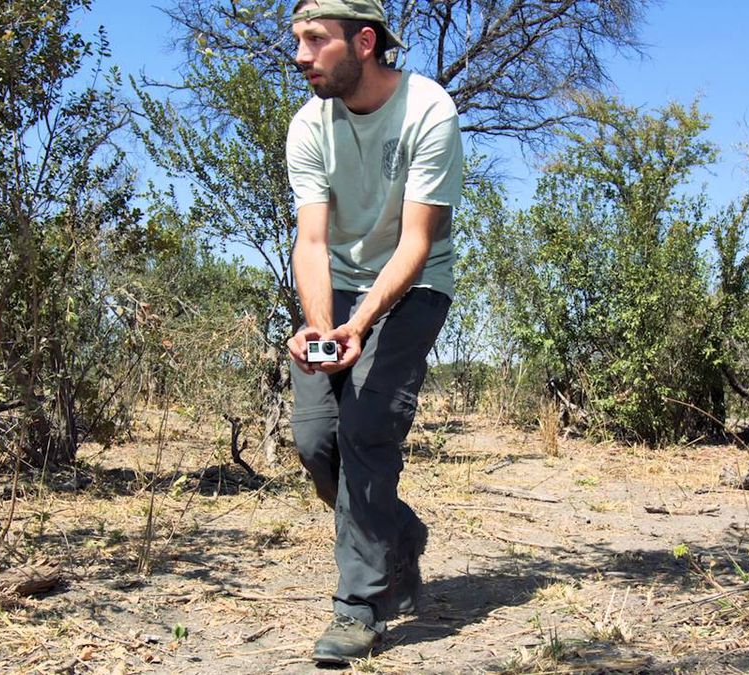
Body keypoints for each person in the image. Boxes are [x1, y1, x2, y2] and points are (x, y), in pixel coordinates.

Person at [284, 0, 463, 664]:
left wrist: (362, 323)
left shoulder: (428, 110)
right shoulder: (308, 125)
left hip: (413, 286)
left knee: (365, 428)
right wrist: (321, 324)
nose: (300, 55)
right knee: (314, 439)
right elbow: (310, 240)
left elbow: (417, 242)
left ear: (364, 42)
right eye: (296, 40)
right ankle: (396, 531)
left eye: (314, 40)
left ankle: (360, 607)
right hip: (339, 285)